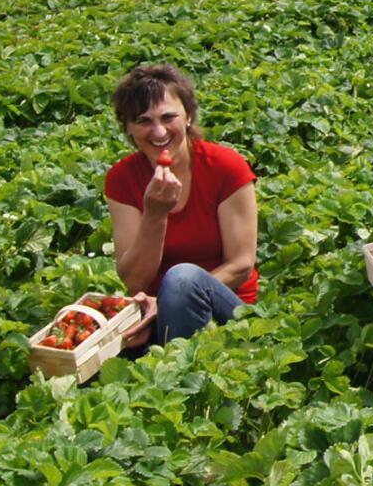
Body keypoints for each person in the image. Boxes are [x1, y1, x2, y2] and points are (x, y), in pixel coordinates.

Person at [104, 63, 259, 346]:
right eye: (143, 121)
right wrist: (155, 214)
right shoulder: (122, 179)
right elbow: (135, 280)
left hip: (229, 307)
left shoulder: (226, 167)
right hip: (155, 310)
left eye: (168, 117)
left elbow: (241, 265)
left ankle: (178, 371)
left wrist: (173, 297)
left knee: (182, 279)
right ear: (128, 128)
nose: (159, 131)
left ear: (188, 116)